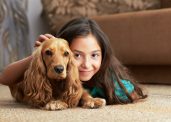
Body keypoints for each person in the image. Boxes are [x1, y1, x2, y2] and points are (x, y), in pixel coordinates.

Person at [0, 17, 147, 104]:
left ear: (103, 55)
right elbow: (5, 78)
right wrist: (39, 53)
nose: (86, 64)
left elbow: (132, 93)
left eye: (94, 55)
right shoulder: (51, 67)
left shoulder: (108, 77)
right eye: (76, 55)